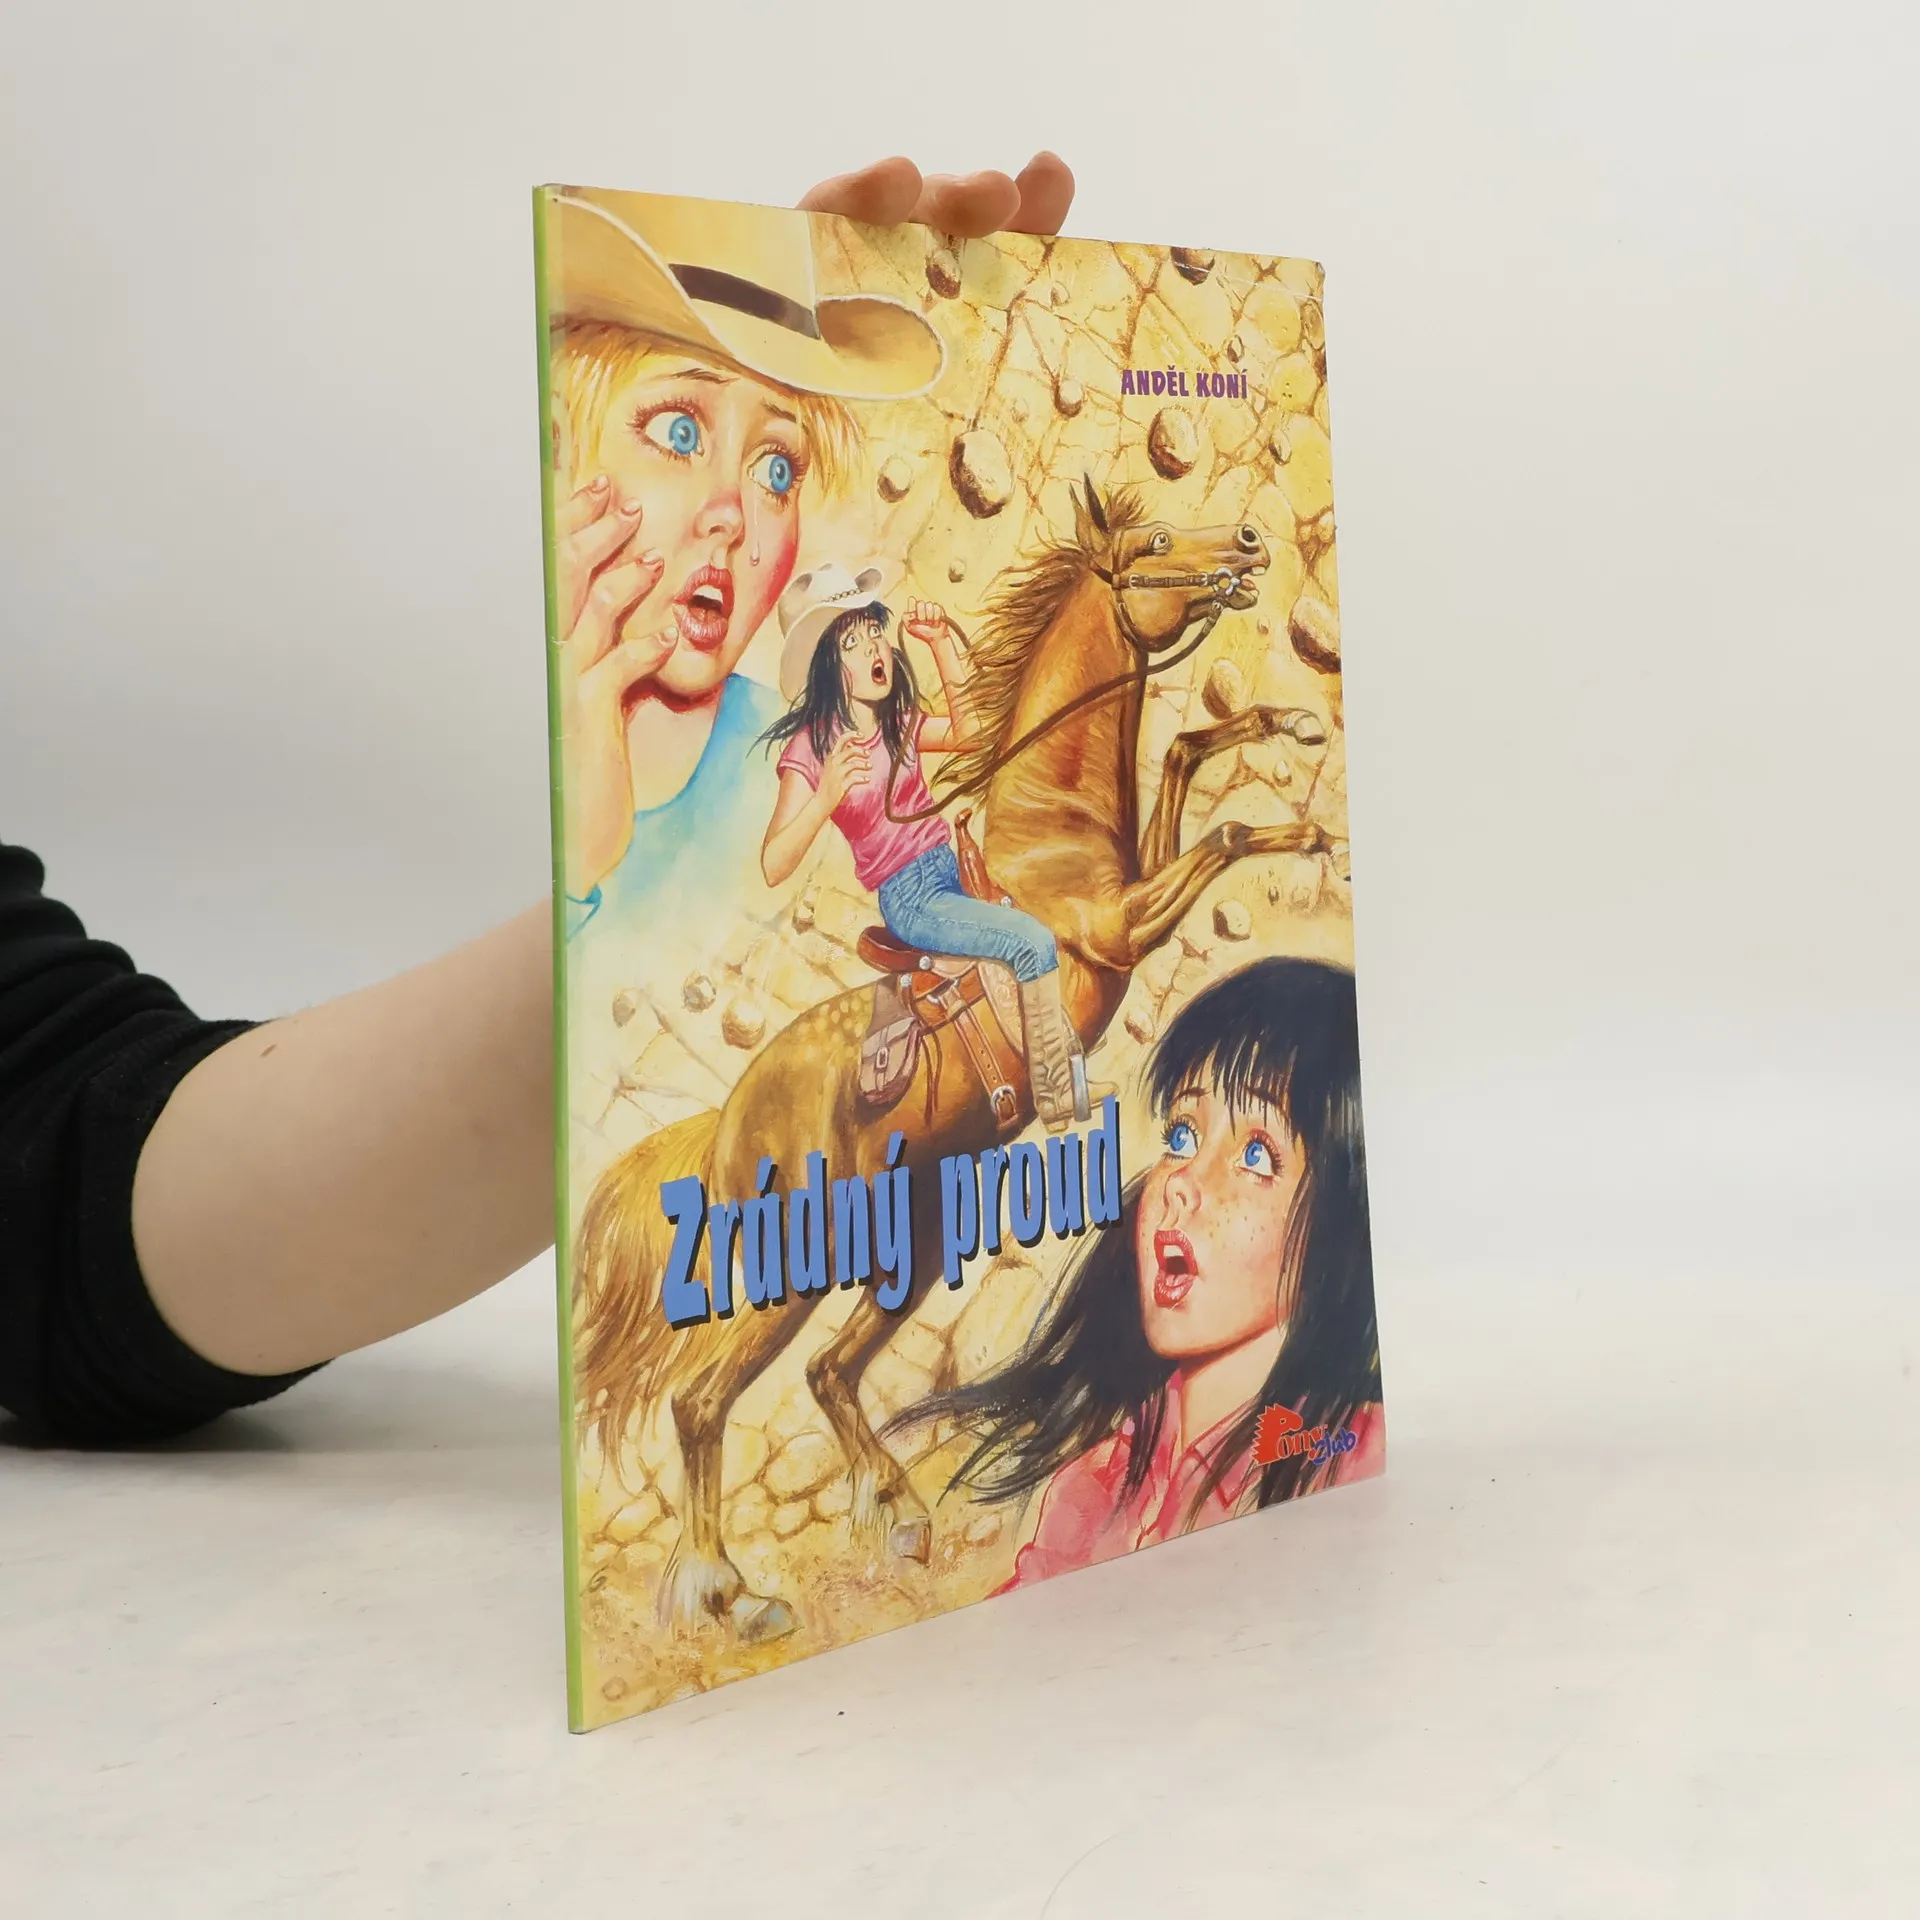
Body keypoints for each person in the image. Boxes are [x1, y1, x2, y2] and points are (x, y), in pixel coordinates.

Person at [0, 154, 1077, 1446]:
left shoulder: (780, 730)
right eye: (678, 431)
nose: (736, 514)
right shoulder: (788, 770)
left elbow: (54, 1166)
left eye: (780, 466)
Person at [893, 957, 1384, 1588]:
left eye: (1256, 1154)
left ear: (1342, 1220)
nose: (1182, 1182)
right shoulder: (1093, 1483)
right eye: (1182, 1137)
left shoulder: (1358, 1458)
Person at [757, 565, 1081, 1126]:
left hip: (949, 867)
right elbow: (772, 863)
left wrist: (940, 647)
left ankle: (1062, 1072)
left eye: (874, 631)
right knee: (1031, 940)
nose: (874, 648)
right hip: (911, 896)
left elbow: (969, 736)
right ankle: (1057, 1096)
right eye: (852, 642)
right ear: (827, 667)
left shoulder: (897, 723)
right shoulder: (811, 749)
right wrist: (826, 794)